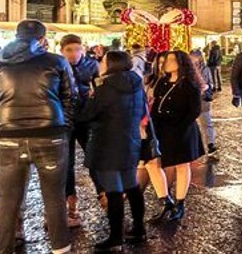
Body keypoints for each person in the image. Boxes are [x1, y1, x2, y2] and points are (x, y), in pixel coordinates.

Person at [0, 19, 76, 254]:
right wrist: (62, 125)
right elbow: (70, 96)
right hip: (50, 132)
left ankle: (3, 249)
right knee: (54, 198)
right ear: (42, 39)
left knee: (8, 200)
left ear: (16, 36)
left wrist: (3, 123)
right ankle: (60, 248)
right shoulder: (56, 61)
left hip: (8, 134)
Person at [77, 50, 147, 250]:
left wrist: (87, 99)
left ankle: (116, 237)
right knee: (131, 186)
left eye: (103, 61)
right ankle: (139, 229)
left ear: (111, 64)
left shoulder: (105, 88)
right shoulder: (137, 84)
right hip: (130, 142)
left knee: (113, 190)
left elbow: (86, 115)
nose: (100, 64)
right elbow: (142, 111)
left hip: (106, 144)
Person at [147, 50, 204, 222]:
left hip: (181, 130)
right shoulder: (162, 81)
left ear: (181, 62)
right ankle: (166, 200)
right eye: (166, 60)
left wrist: (180, 127)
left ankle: (180, 204)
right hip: (161, 128)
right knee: (153, 163)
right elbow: (156, 105)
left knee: (182, 165)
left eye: (172, 60)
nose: (167, 63)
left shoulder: (189, 84)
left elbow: (194, 110)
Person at [60, 34, 100, 228]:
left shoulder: (92, 65)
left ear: (83, 49)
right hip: (65, 121)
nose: (74, 54)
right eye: (69, 50)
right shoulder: (58, 65)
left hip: (86, 119)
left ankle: (104, 195)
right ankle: (70, 204)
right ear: (62, 51)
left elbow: (100, 89)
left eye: (77, 49)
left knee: (94, 158)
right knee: (66, 163)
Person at [190, 49, 217, 155]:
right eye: (191, 57)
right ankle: (193, 145)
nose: (193, 59)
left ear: (200, 57)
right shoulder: (187, 69)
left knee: (206, 122)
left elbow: (211, 83)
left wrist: (207, 86)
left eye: (194, 57)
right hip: (191, 99)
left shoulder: (205, 69)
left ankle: (211, 144)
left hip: (203, 99)